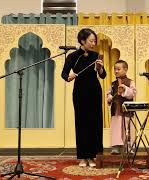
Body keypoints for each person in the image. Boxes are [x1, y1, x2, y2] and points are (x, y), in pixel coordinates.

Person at [61, 28, 106, 167]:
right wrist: (69, 77)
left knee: (95, 123)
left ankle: (93, 156)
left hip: (95, 91)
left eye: (95, 41)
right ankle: (83, 157)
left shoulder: (96, 55)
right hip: (80, 91)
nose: (93, 43)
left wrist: (100, 68)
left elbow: (103, 75)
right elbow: (64, 74)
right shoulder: (73, 56)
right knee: (81, 122)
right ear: (82, 41)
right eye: (91, 41)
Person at [107, 60, 136, 154]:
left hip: (127, 110)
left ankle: (128, 147)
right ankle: (115, 146)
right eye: (115, 69)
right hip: (116, 110)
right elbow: (109, 94)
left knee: (127, 128)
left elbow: (132, 94)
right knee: (116, 127)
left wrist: (125, 89)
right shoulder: (113, 84)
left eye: (118, 69)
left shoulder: (130, 82)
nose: (116, 71)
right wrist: (109, 97)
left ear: (125, 70)